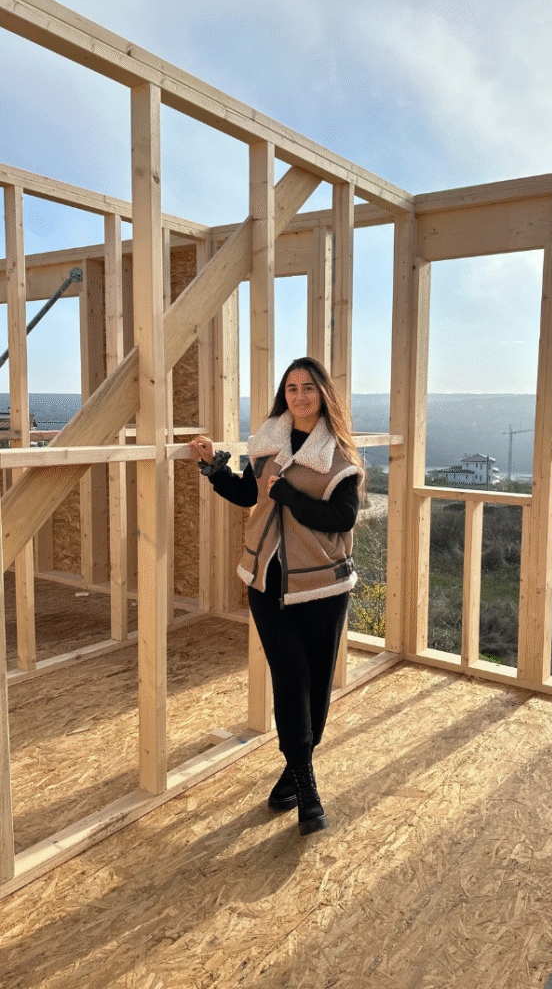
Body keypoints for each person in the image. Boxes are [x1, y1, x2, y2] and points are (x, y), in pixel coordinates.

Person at [190, 357, 364, 836]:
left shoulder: (338, 456)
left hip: (322, 585)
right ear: (283, 395)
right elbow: (250, 495)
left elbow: (343, 519)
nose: (300, 396)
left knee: (316, 685)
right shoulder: (267, 443)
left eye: (308, 387)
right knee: (291, 677)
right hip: (266, 580)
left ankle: (292, 773)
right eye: (292, 388)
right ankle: (307, 788)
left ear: (322, 394)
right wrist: (213, 466)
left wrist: (290, 496)